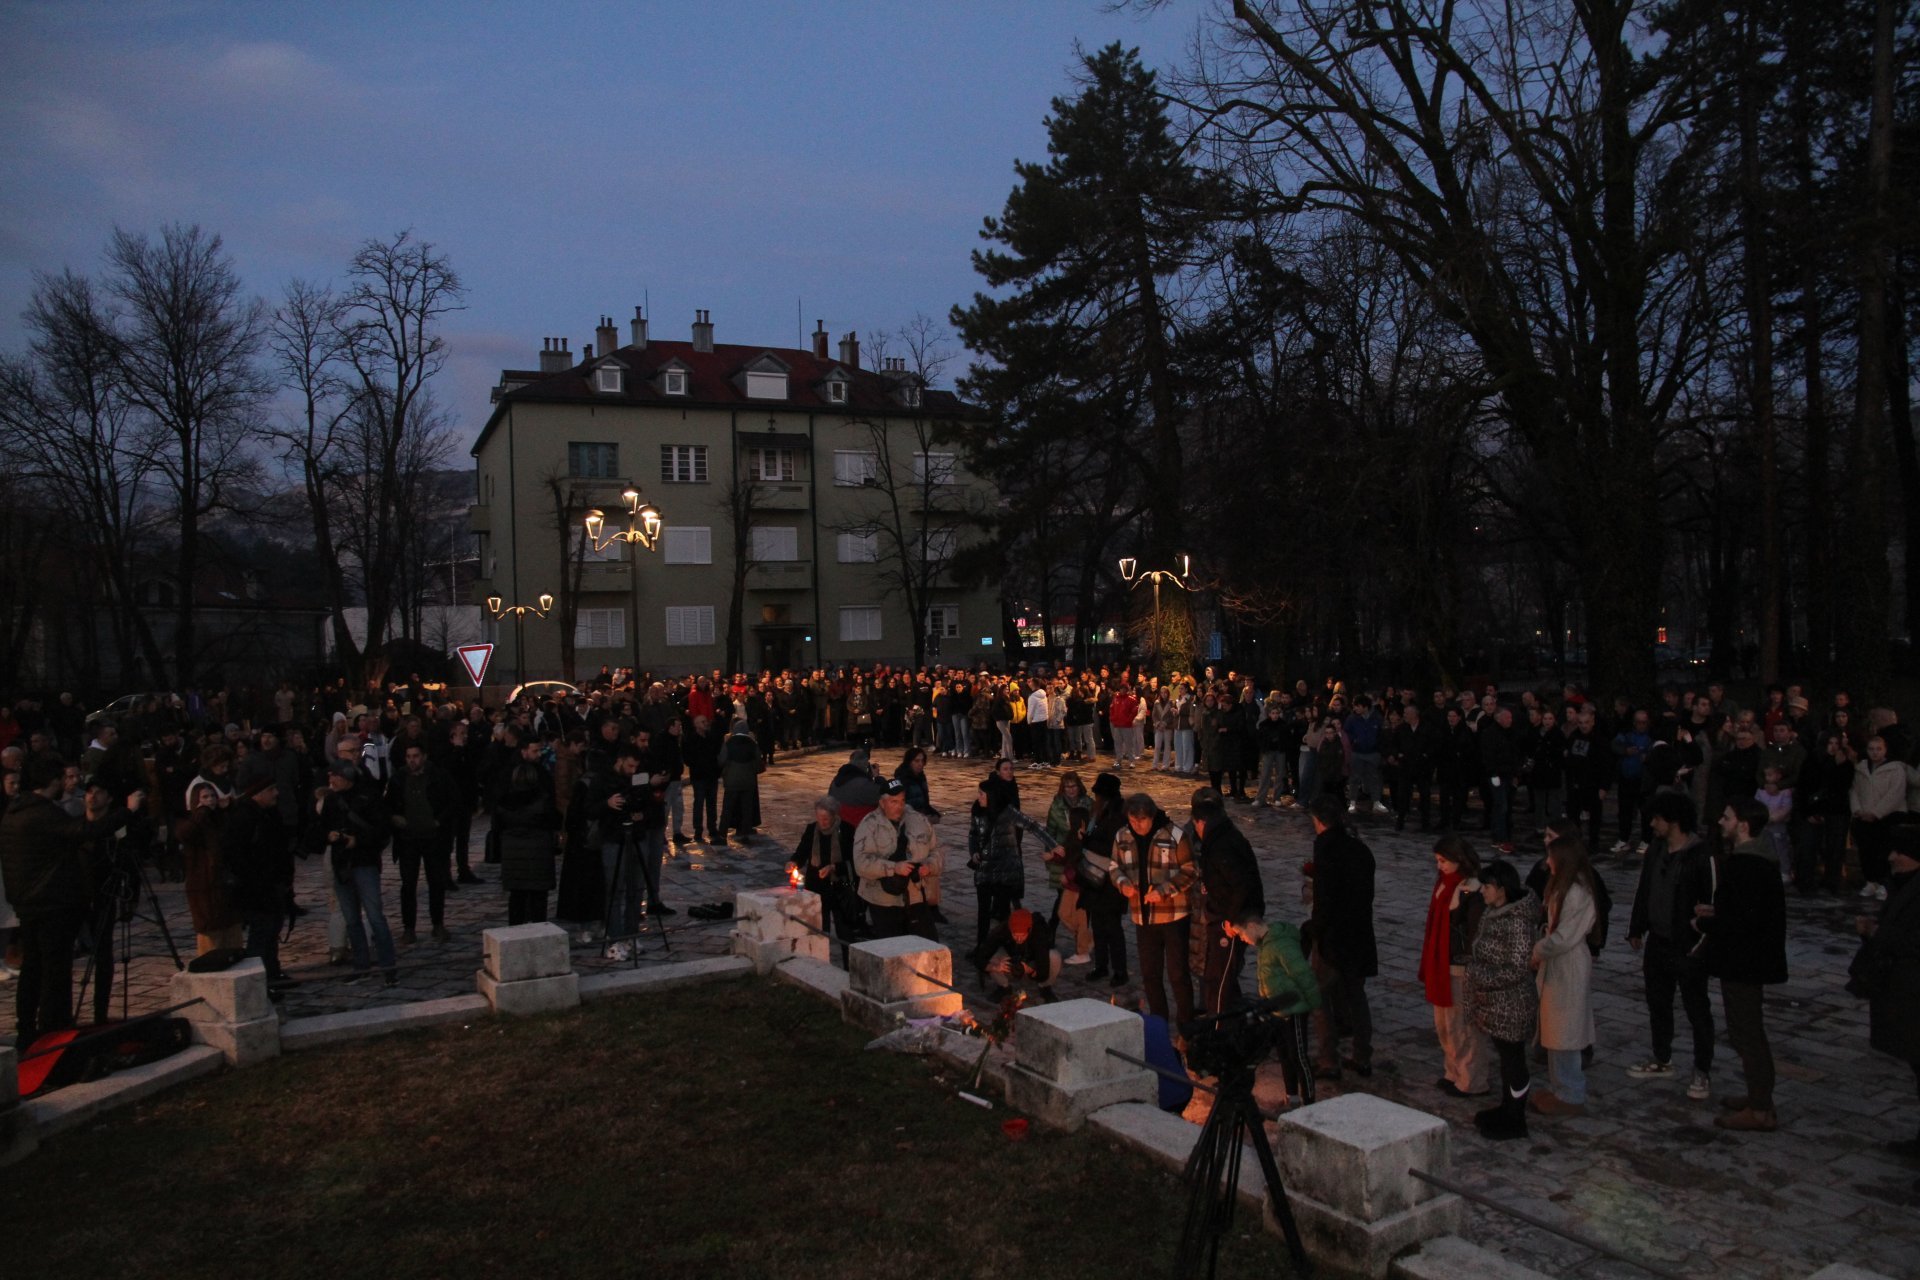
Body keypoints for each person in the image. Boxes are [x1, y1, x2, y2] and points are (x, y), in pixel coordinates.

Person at [1, 752, 144, 1046]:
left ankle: (28, 1028)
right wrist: (127, 811)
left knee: (33, 967)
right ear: (52, 781)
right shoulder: (42, 812)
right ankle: (54, 1027)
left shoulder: (15, 811)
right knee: (54, 968)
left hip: (28, 901)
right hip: (51, 902)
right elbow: (83, 831)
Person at [1695, 797, 1789, 1132]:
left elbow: (1743, 920)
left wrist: (1705, 924)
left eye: (1728, 816)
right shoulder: (1753, 862)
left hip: (1745, 960)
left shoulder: (1748, 865)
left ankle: (1761, 1109)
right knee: (1744, 1030)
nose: (1721, 821)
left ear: (1744, 825)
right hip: (1747, 957)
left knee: (1747, 1033)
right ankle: (1757, 1095)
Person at [1624, 791, 1718, 1100]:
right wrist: (1637, 927)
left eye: (1657, 819)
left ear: (1674, 821)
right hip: (1658, 941)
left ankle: (1702, 1069)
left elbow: (1711, 900)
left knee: (1696, 1007)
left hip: (1688, 944)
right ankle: (1661, 1056)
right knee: (1658, 1002)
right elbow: (1646, 888)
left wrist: (1702, 938)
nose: (1652, 824)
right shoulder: (1656, 849)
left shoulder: (1701, 855)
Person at [1854, 825, 1920, 1158]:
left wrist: (1879, 932)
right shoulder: (1902, 886)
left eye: (1901, 852)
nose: (1893, 858)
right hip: (1901, 988)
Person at [1467, 859, 1542, 1140]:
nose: (1481, 891)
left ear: (1501, 888)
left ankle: (1516, 1117)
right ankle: (1506, 1107)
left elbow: (1517, 968)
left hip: (1512, 1003)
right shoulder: (1494, 911)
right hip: (1496, 1004)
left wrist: (1478, 974)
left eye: (1486, 886)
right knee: (1506, 1059)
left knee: (1513, 1060)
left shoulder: (1518, 921)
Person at [1110, 791, 1198, 1030]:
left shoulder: (1174, 836)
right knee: (1150, 974)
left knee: (1178, 974)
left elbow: (1190, 871)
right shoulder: (1122, 835)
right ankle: (1159, 1022)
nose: (1138, 826)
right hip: (1143, 916)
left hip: (1173, 915)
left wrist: (1164, 890)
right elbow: (1114, 867)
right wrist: (1122, 883)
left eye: (1142, 821)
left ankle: (1186, 1025)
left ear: (1151, 817)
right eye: (1133, 820)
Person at [1306, 795, 1377, 1079]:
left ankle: (1328, 1060)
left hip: (1334, 937)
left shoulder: (1326, 849)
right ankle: (1362, 1056)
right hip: (1359, 931)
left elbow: (1325, 900)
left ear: (1319, 821)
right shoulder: (1360, 850)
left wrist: (1315, 930)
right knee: (1356, 997)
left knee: (1321, 997)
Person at [1530, 833, 1599, 1117]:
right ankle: (1559, 1086)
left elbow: (1565, 936)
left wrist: (1537, 950)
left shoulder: (1578, 892)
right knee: (1555, 1028)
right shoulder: (1564, 886)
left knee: (1566, 1031)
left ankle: (1571, 1092)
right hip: (1557, 964)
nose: (1547, 862)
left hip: (1568, 964)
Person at [313, 759, 397, 987]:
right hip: (341, 863)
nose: (331, 781)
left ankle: (389, 966)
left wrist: (357, 841)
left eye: (335, 776)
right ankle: (361, 966)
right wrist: (328, 836)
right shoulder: (331, 800)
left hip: (364, 863)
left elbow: (381, 831)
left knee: (375, 916)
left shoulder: (369, 797)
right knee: (351, 919)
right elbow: (319, 829)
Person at [1421, 835, 1490, 1098]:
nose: (1439, 866)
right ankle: (1453, 1071)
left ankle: (1472, 1079)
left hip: (1459, 965)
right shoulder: (1444, 883)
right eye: (1437, 861)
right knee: (1446, 1024)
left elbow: (1474, 932)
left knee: (1464, 1026)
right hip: (1441, 961)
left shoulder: (1471, 889)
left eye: (1443, 861)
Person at [1190, 786, 1265, 1014]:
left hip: (1229, 921)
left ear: (1201, 822)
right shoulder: (1223, 836)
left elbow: (1240, 884)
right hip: (1221, 916)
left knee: (1220, 979)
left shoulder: (1221, 843)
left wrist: (1232, 921)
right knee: (1220, 976)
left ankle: (1221, 1024)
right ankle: (1227, 1018)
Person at [385, 742, 458, 945]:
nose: (412, 760)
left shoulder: (438, 776)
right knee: (408, 885)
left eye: (415, 756)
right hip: (408, 839)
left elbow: (452, 801)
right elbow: (389, 804)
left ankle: (438, 924)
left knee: (436, 882)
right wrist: (395, 818)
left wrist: (439, 821)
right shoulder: (399, 778)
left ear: (423, 756)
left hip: (433, 838)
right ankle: (409, 928)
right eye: (408, 756)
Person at [852, 778, 941, 940]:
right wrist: (894, 868)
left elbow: (936, 851)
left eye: (902, 800)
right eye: (893, 801)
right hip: (883, 900)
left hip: (916, 897)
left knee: (928, 945)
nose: (899, 806)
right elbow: (861, 864)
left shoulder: (918, 820)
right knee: (893, 952)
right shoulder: (869, 825)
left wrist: (929, 866)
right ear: (882, 803)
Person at [1075, 772, 1129, 985]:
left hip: (1110, 878)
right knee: (1097, 924)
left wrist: (1086, 840)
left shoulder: (1116, 816)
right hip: (1095, 879)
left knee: (1112, 927)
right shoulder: (1101, 812)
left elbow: (1111, 847)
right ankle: (1101, 965)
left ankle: (1119, 970)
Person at [495, 762, 560, 926]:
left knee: (517, 898)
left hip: (513, 856)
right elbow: (555, 820)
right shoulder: (543, 800)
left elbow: (496, 826)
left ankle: (515, 932)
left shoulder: (504, 801)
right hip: (539, 854)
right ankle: (539, 933)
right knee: (538, 898)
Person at [1044, 773, 1094, 963]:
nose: (1071, 790)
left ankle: (1082, 944)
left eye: (1074, 786)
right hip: (1062, 857)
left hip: (1079, 859)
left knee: (1080, 906)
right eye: (1067, 787)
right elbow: (1050, 832)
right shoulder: (1057, 806)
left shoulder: (1088, 804)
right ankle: (1057, 934)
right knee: (1061, 902)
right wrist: (1052, 854)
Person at [973, 907, 1061, 1001]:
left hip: (1034, 958)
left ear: (1029, 930)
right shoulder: (1002, 930)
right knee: (993, 958)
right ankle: (1003, 987)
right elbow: (979, 957)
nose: (1019, 939)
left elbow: (1044, 971)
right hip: (1010, 954)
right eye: (1015, 935)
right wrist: (994, 967)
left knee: (1054, 956)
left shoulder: (1039, 932)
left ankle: (1045, 988)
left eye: (1022, 935)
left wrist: (1030, 971)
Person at [718, 718, 763, 842]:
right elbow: (759, 763)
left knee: (727, 808)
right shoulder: (752, 744)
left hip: (732, 781)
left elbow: (721, 760)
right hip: (748, 781)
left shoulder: (729, 743)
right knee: (746, 808)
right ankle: (744, 834)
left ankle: (722, 834)